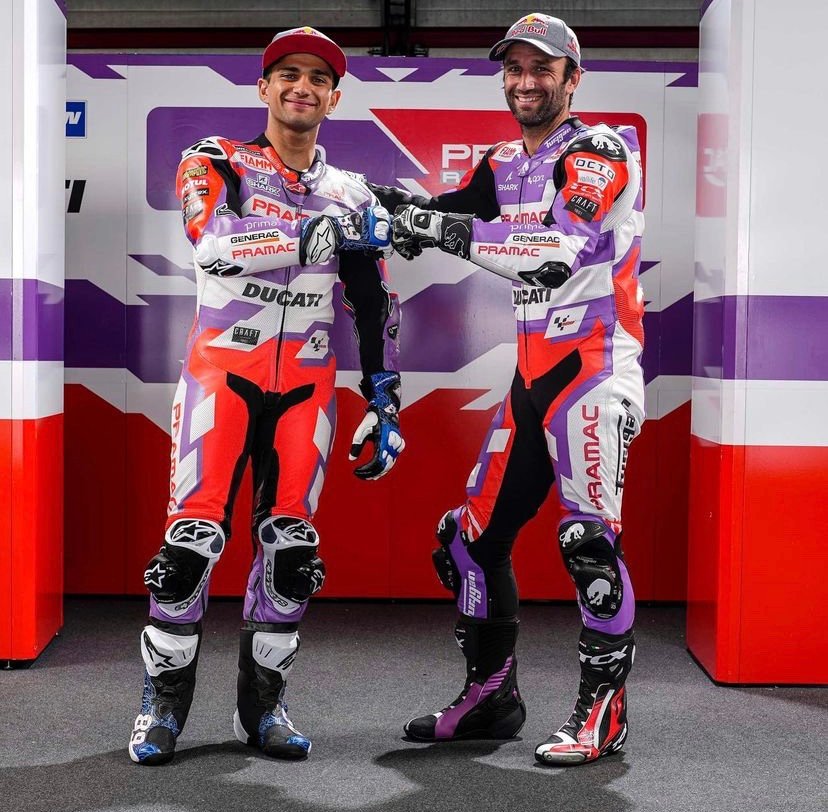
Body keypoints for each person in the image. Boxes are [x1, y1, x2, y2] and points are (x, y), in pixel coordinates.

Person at [370, 12, 644, 765]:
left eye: (541, 68)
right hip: (530, 376)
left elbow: (555, 251)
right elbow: (456, 211)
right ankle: (493, 699)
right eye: (514, 68)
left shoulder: (598, 151)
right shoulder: (501, 162)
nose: (525, 81)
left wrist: (434, 230)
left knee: (588, 545)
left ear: (572, 79)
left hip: (593, 369)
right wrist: (386, 205)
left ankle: (604, 716)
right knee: (467, 541)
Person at [128, 26, 404, 765]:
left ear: (334, 97)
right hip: (221, 376)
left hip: (307, 386)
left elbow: (372, 299)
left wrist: (384, 397)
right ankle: (162, 707)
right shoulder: (216, 159)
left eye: (318, 78)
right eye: (288, 74)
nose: (302, 87)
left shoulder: (353, 192)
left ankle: (264, 708)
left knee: (291, 551)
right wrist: (321, 232)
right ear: (263, 87)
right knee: (189, 549)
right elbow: (214, 244)